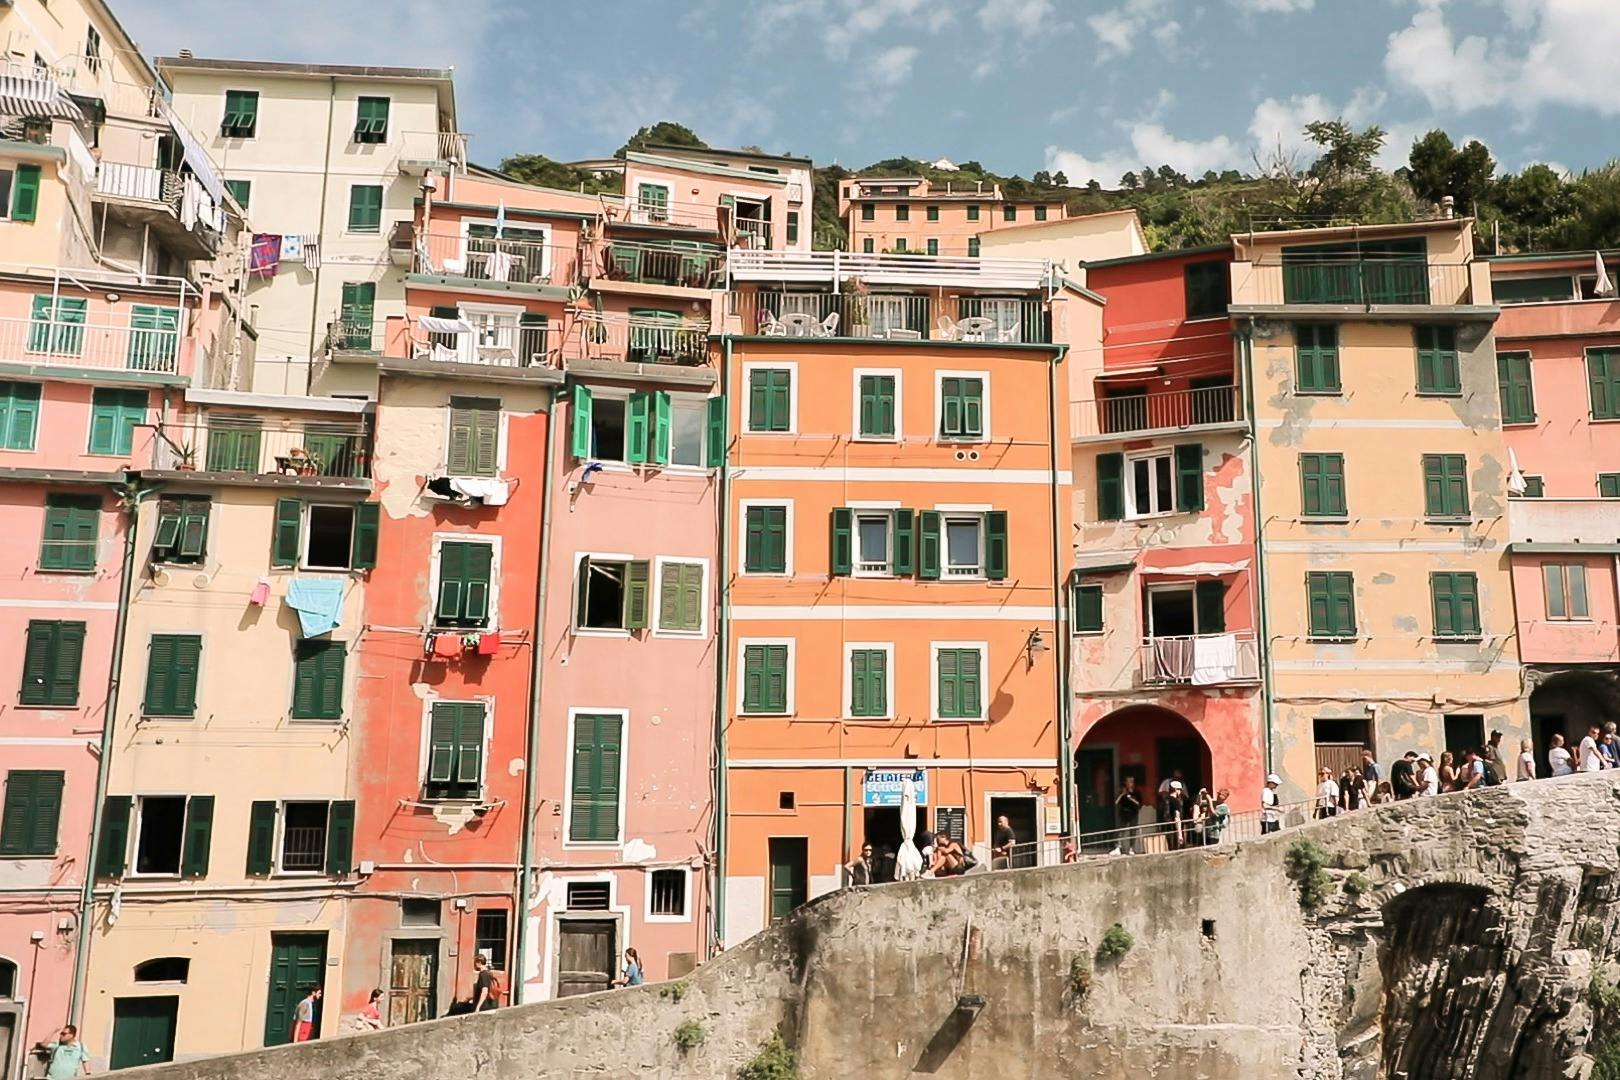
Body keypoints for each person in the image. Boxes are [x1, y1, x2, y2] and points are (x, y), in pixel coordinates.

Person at [1115, 775, 1143, 855]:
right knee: (1121, 831)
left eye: (1132, 781)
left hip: (1133, 814)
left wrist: (1131, 799)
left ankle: (1131, 848)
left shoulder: (1137, 793)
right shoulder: (1122, 792)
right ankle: (1118, 847)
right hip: (1124, 814)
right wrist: (1122, 794)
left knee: (1133, 831)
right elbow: (1116, 803)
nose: (1130, 783)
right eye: (1129, 781)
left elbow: (1139, 804)